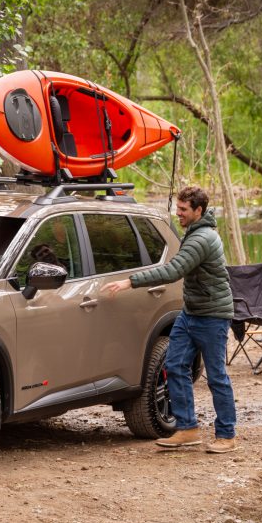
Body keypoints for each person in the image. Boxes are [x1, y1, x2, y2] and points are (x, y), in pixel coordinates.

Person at [101, 186, 237, 453]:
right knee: (174, 365)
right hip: (191, 313)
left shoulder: (203, 239)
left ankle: (227, 435)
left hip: (212, 316)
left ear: (199, 210)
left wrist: (130, 281)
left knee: (217, 377)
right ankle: (187, 429)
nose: (179, 213)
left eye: (184, 209)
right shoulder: (194, 233)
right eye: (178, 208)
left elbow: (174, 271)